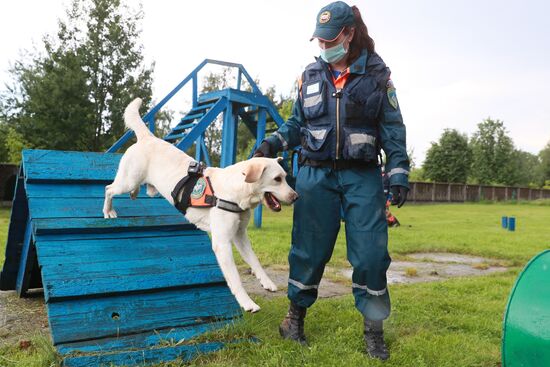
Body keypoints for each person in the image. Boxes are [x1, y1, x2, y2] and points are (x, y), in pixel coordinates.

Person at [254, 1, 409, 360]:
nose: (324, 48)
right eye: (320, 41)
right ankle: (294, 319)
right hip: (314, 174)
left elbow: (393, 129)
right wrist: (273, 142)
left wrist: (398, 170)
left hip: (362, 175)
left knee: (371, 254)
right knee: (307, 250)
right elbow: (297, 123)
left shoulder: (378, 76)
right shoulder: (309, 75)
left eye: (331, 40)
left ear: (350, 33)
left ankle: (374, 331)